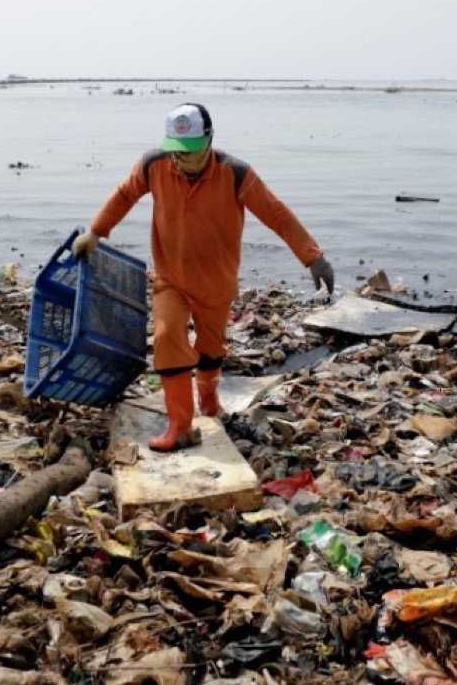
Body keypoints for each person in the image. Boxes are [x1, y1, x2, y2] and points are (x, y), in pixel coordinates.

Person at [72, 103, 335, 452]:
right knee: (167, 338)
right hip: (171, 280)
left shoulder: (236, 174)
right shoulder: (154, 165)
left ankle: (209, 403)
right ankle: (180, 426)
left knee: (211, 350)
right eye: (177, 152)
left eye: (191, 152)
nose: (182, 160)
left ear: (209, 139)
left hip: (216, 284)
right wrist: (96, 232)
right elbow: (125, 195)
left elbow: (276, 214)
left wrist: (313, 257)